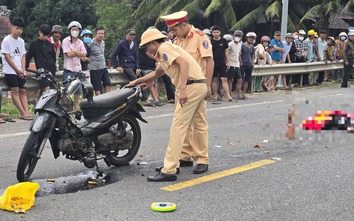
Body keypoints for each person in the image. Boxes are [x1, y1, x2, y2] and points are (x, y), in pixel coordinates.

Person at [128, 28, 208, 182]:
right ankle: (195, 159)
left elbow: (183, 63)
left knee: (178, 127)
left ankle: (169, 168)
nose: (147, 50)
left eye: (147, 46)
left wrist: (183, 88)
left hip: (190, 87)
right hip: (197, 85)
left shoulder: (164, 48)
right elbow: (157, 73)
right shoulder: (165, 51)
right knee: (198, 124)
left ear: (153, 42)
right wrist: (139, 81)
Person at [160, 11, 213, 172]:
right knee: (184, 122)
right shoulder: (176, 41)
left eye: (175, 30)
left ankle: (202, 158)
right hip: (182, 87)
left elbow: (209, 60)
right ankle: (185, 156)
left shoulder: (200, 37)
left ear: (183, 25)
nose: (173, 33)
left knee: (198, 123)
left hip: (196, 86)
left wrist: (208, 85)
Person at [111, 28, 154, 106]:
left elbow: (136, 56)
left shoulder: (134, 44)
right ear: (126, 35)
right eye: (130, 35)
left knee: (141, 80)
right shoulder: (122, 43)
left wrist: (137, 67)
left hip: (134, 65)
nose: (132, 36)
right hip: (126, 65)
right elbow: (113, 55)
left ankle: (135, 98)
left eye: (133, 35)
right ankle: (145, 100)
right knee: (135, 80)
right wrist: (117, 66)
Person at [1, 17, 32, 120]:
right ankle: (22, 112)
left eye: (21, 29)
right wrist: (17, 70)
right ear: (12, 27)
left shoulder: (21, 41)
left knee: (23, 91)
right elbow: (7, 57)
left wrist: (22, 69)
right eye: (17, 28)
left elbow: (23, 55)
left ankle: (27, 112)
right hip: (10, 70)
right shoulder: (6, 40)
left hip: (20, 70)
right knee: (15, 91)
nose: (19, 30)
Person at [26, 24, 56, 99]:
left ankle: (38, 105)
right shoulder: (34, 43)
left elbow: (53, 57)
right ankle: (44, 107)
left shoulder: (49, 44)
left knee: (50, 89)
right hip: (41, 71)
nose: (45, 37)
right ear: (39, 33)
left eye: (47, 35)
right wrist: (25, 67)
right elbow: (28, 56)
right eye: (44, 35)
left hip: (51, 70)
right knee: (47, 90)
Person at [62, 21, 87, 111]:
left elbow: (84, 54)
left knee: (78, 91)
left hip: (78, 70)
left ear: (79, 31)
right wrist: (78, 53)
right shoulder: (65, 41)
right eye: (73, 29)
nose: (74, 31)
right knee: (66, 90)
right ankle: (65, 107)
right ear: (70, 30)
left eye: (76, 29)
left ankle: (75, 108)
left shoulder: (80, 42)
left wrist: (75, 52)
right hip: (68, 69)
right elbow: (68, 54)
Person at [210, 26, 233, 101]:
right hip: (213, 63)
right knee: (214, 79)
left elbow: (226, 52)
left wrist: (228, 61)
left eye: (217, 32)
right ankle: (215, 95)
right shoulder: (210, 41)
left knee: (224, 79)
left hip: (222, 63)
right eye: (214, 32)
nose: (216, 34)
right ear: (212, 33)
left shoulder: (224, 41)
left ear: (220, 33)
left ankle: (228, 96)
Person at [89, 26, 112, 96]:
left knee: (108, 83)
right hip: (94, 68)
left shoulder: (103, 43)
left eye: (102, 34)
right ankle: (100, 102)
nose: (101, 35)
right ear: (96, 34)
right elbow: (86, 54)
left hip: (103, 66)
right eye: (99, 33)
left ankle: (108, 100)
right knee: (97, 87)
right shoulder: (90, 43)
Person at [240, 32, 255, 99]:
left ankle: (244, 93)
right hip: (243, 64)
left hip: (249, 65)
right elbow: (239, 55)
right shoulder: (242, 45)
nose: (250, 39)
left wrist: (252, 63)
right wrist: (241, 63)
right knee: (240, 79)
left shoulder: (252, 47)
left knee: (247, 80)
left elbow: (252, 56)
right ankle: (238, 93)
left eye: (252, 38)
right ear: (247, 38)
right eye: (249, 38)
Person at [228, 30, 243, 98]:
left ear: (241, 37)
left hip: (237, 64)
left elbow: (239, 54)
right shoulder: (230, 44)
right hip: (231, 63)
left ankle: (238, 94)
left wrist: (240, 62)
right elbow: (226, 53)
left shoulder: (240, 45)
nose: (237, 37)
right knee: (230, 80)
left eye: (239, 36)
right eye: (236, 36)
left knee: (239, 80)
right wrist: (227, 62)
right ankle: (229, 94)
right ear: (233, 36)